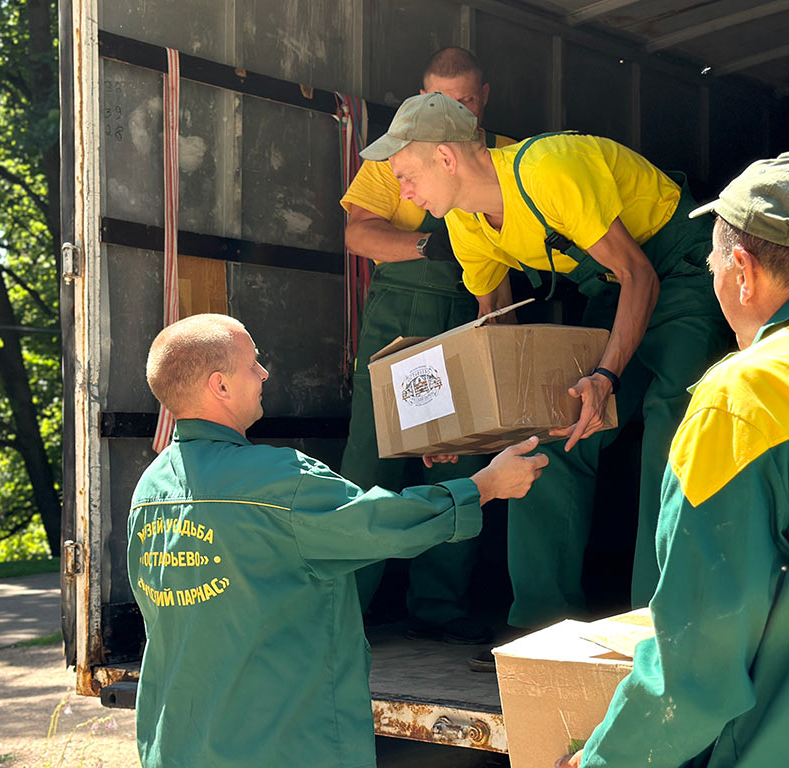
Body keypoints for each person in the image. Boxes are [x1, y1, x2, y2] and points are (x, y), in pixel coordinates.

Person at [558, 151, 789, 767]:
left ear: (742, 269)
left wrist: (602, 761)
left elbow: (698, 666)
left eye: (711, 265)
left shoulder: (742, 402)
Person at [360, 93, 731, 648]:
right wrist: (464, 428)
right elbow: (495, 338)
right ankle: (540, 632)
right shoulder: (466, 225)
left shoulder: (548, 170)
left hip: (675, 271)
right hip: (610, 289)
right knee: (552, 435)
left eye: (406, 175)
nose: (403, 192)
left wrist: (605, 377)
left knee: (672, 435)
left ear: (445, 157)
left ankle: (660, 635)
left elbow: (640, 274)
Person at [126, 313, 547, 768]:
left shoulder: (149, 489)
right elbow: (380, 521)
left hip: (179, 745)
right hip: (280, 744)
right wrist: (485, 485)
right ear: (220, 386)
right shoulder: (277, 481)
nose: (264, 373)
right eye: (253, 364)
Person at [339, 47, 515, 643]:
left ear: (483, 97)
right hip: (402, 313)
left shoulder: (504, 157)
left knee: (463, 454)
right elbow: (358, 231)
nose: (449, 109)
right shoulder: (400, 151)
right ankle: (346, 610)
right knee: (374, 457)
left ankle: (441, 609)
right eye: (436, 98)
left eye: (462, 99)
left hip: (468, 308)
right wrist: (427, 247)